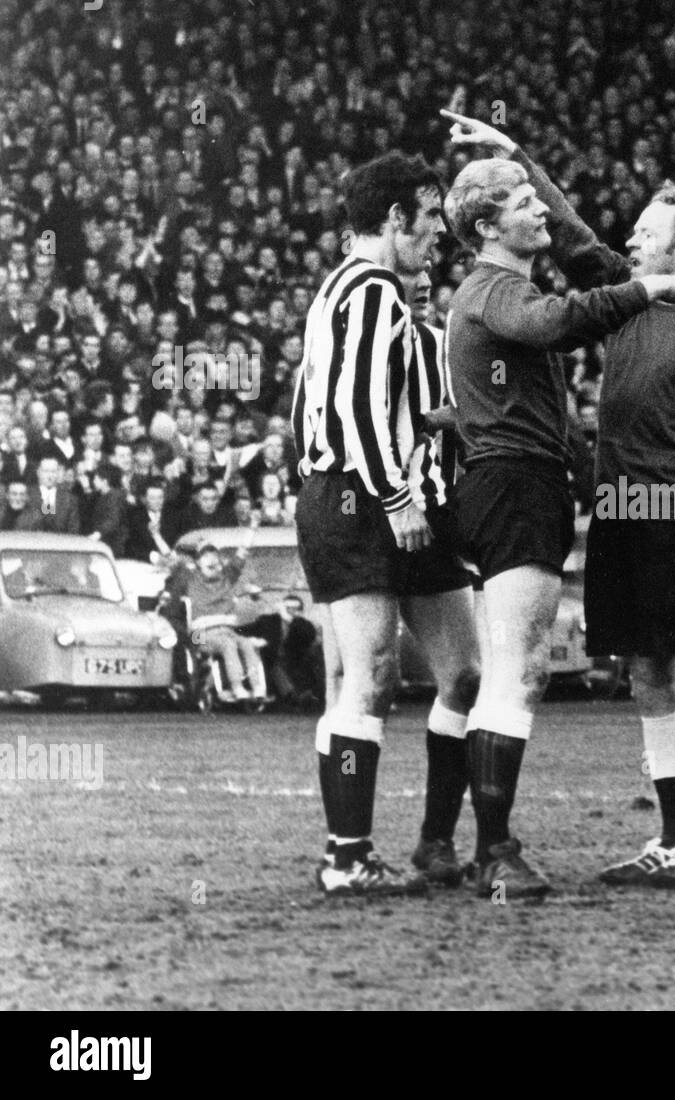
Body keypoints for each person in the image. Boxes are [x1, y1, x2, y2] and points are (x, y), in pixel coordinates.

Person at [447, 112, 675, 888]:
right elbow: (579, 237)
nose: (630, 243)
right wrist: (518, 155)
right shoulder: (623, 302)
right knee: (647, 678)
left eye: (647, 234)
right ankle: (670, 838)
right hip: (621, 514)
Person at [291, 150, 444, 896]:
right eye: (428, 219)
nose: (436, 235)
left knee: (360, 676)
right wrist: (394, 496)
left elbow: (307, 407)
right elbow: (355, 409)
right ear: (394, 219)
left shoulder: (335, 291)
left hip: (332, 492)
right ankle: (347, 858)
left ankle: (346, 852)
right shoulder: (377, 290)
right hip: (353, 496)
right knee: (370, 675)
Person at [395, 259, 482, 890]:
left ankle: (436, 840)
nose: (423, 278)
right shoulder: (350, 335)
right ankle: (348, 850)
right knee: (355, 684)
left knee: (467, 678)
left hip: (431, 522)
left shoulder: (440, 343)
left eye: (428, 269)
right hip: (363, 522)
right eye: (410, 269)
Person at [169, 541, 268, 704]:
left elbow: (242, 552)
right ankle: (237, 687)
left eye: (216, 561)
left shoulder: (227, 577)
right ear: (199, 563)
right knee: (228, 644)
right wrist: (156, 534)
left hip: (225, 630)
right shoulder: (191, 578)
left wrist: (253, 525)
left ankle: (257, 687)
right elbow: (172, 559)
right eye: (208, 562)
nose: (214, 566)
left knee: (247, 644)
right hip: (197, 634)